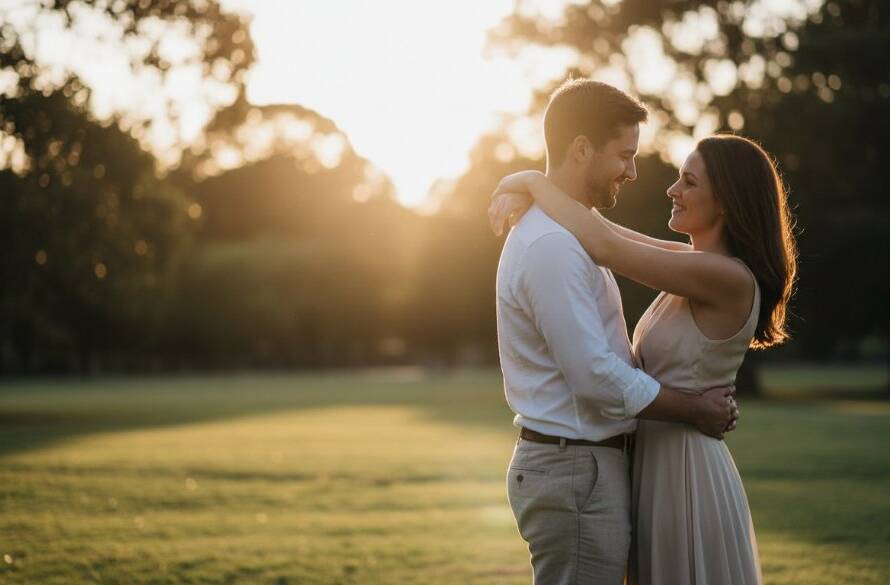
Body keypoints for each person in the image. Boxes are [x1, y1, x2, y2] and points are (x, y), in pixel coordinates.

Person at [490, 120, 797, 583]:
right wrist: (533, 191)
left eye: (689, 182)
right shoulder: (690, 264)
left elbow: (602, 243)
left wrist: (533, 182)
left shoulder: (728, 277)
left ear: (727, 202)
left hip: (685, 466)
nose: (672, 189)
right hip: (651, 459)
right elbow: (599, 228)